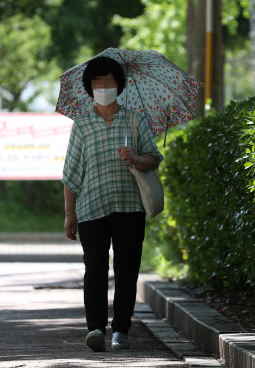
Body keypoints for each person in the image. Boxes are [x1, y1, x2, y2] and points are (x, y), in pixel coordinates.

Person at [61, 56, 163, 352]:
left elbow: (153, 158)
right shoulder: (81, 125)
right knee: (95, 268)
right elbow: (70, 175)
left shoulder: (134, 119)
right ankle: (95, 328)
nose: (103, 87)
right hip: (92, 209)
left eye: (108, 82)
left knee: (127, 269)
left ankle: (121, 330)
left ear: (119, 85)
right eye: (97, 82)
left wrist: (135, 158)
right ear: (89, 87)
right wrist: (70, 214)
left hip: (130, 207)